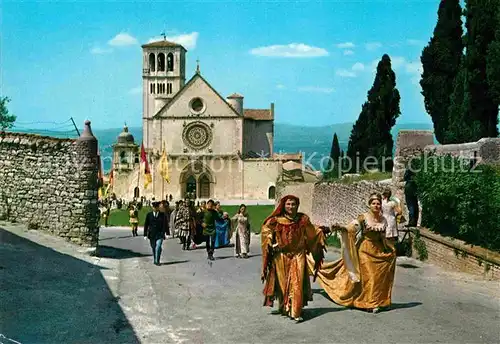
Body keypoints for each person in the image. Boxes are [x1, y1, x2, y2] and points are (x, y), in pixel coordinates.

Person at [309, 192, 397, 313]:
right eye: (373, 203)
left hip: (378, 250)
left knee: (378, 277)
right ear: (369, 205)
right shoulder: (363, 218)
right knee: (370, 276)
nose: (376, 206)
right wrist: (341, 228)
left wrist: (389, 248)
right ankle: (369, 303)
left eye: (378, 204)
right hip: (364, 250)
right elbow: (352, 228)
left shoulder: (383, 220)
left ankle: (377, 300)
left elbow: (382, 237)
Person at [261, 195, 329, 323]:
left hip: (298, 255)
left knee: (296, 282)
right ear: (283, 205)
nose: (291, 207)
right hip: (281, 256)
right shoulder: (276, 220)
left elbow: (312, 232)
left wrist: (321, 231)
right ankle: (284, 308)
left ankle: (295, 311)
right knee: (283, 284)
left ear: (297, 205)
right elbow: (266, 230)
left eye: (293, 204)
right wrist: (269, 238)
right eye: (288, 204)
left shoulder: (303, 219)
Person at [143, 201, 167, 266]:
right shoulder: (149, 215)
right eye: (154, 207)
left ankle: (157, 261)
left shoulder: (162, 215)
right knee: (153, 247)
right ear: (152, 207)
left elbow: (165, 224)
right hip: (152, 234)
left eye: (157, 207)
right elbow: (146, 225)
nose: (156, 208)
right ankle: (155, 258)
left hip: (160, 234)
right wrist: (145, 234)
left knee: (158, 246)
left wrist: (166, 233)